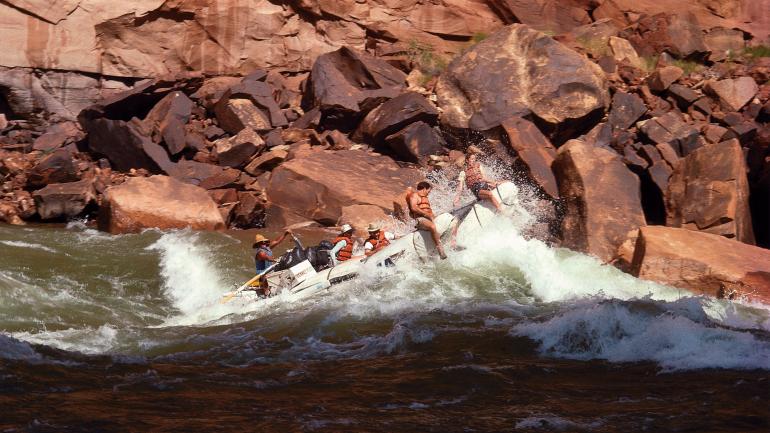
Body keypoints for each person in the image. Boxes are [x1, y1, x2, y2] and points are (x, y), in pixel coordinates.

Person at [406, 181, 448, 259]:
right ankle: (440, 249)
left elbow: (428, 211)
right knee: (432, 226)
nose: (429, 193)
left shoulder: (425, 198)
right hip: (421, 219)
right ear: (425, 188)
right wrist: (426, 214)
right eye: (429, 191)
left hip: (429, 219)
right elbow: (413, 207)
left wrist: (433, 216)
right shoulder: (415, 195)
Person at [453, 148, 502, 212]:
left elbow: (483, 178)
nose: (474, 161)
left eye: (474, 159)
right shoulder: (463, 172)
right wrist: (457, 197)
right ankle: (501, 211)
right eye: (472, 159)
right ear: (467, 160)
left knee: (504, 183)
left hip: (485, 185)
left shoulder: (478, 166)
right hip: (477, 190)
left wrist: (495, 182)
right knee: (489, 194)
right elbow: (460, 187)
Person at [252, 229, 292, 296]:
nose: (264, 243)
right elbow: (267, 258)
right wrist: (275, 260)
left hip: (270, 271)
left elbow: (277, 241)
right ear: (258, 245)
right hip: (262, 274)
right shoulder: (260, 253)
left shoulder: (267, 248)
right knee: (265, 277)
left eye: (264, 242)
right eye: (262, 242)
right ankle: (266, 294)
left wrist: (285, 234)